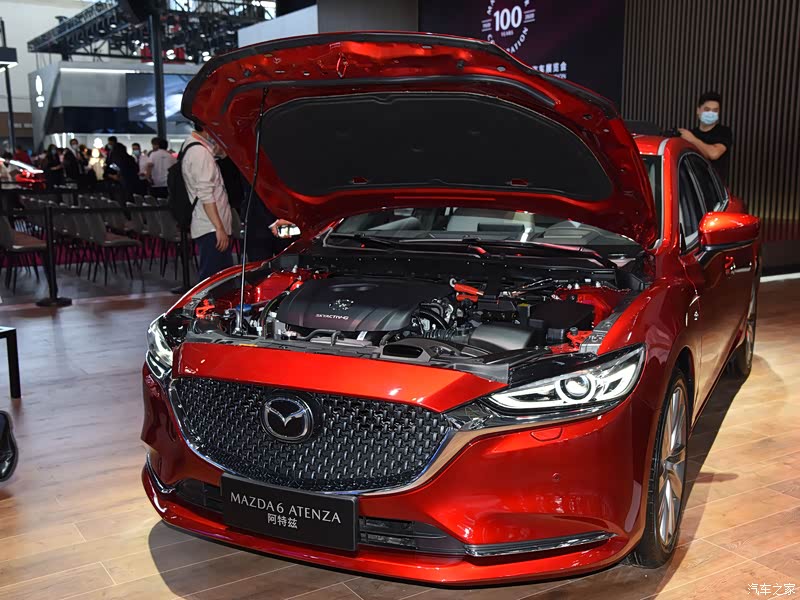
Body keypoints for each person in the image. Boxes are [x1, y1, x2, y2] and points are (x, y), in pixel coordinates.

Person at [181, 126, 232, 280]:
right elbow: (206, 195)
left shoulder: (196, 148)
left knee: (219, 279)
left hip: (211, 226)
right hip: (211, 227)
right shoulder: (200, 153)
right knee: (213, 280)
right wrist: (219, 228)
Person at [678, 91, 733, 184]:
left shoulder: (724, 132)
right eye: (707, 109)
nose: (711, 113)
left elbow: (714, 154)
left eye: (715, 110)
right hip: (691, 186)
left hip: (713, 188)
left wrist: (692, 139)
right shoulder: (691, 133)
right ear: (698, 111)